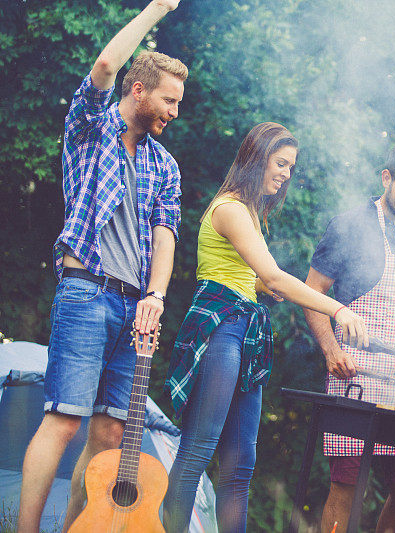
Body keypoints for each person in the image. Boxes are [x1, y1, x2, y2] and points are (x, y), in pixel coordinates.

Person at [17, 2, 187, 531]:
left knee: (111, 436)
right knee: (65, 419)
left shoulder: (165, 164)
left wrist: (156, 297)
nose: (174, 112)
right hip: (86, 292)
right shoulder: (92, 127)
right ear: (140, 91)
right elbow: (106, 69)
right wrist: (157, 7)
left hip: (135, 307)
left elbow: (166, 234)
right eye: (169, 99)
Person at [162, 122, 369, 533]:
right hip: (220, 326)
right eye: (280, 163)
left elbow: (249, 275)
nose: (286, 173)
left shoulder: (252, 214)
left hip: (246, 332)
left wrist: (259, 285)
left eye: (291, 166)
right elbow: (274, 277)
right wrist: (338, 309)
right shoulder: (231, 209)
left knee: (241, 463)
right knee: (198, 451)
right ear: (257, 158)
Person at [304, 141, 395, 533]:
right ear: (387, 178)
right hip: (354, 373)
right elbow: (313, 291)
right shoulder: (352, 224)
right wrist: (331, 350)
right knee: (347, 487)